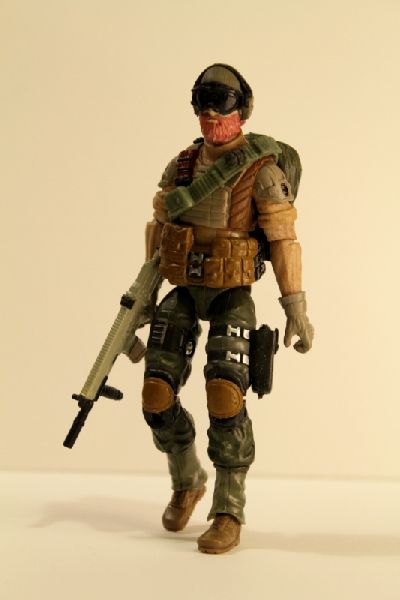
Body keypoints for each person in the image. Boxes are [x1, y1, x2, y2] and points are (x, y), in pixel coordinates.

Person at [141, 63, 314, 554]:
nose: (211, 113)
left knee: (225, 394)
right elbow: (158, 231)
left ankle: (228, 508)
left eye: (222, 102)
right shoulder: (181, 166)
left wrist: (296, 307)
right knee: (156, 394)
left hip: (232, 291)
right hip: (183, 287)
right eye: (203, 101)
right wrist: (144, 299)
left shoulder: (262, 171)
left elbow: (283, 240)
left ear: (243, 109)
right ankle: (187, 479)